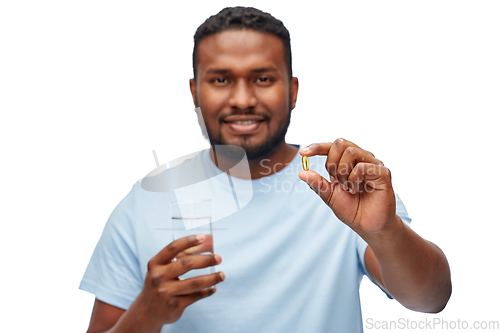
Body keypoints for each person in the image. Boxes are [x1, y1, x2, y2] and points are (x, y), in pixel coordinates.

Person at [80, 6, 451, 333]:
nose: (242, 99)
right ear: (195, 92)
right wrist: (147, 313)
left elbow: (430, 299)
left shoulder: (341, 182)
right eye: (221, 79)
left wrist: (386, 233)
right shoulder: (148, 199)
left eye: (262, 79)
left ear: (292, 91)